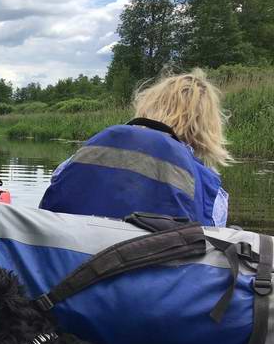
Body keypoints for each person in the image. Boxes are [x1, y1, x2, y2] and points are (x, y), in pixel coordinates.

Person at [39, 69, 231, 227]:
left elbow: (56, 189)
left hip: (69, 267)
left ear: (149, 105)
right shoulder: (208, 187)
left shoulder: (85, 154)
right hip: (157, 271)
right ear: (209, 126)